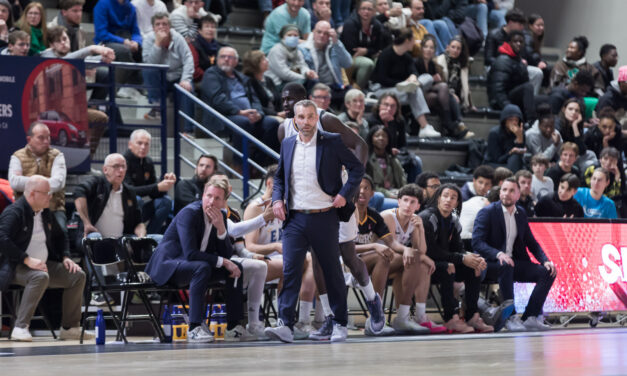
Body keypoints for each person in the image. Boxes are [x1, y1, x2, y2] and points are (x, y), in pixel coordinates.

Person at [266, 99, 364, 343]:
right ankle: (285, 325)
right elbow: (279, 178)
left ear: (316, 119)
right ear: (295, 120)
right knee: (290, 271)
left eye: (311, 117)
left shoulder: (331, 141)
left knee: (332, 270)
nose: (306, 122)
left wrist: (344, 194)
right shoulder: (288, 144)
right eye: (302, 117)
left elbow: (356, 169)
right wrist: (277, 200)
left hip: (324, 216)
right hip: (295, 218)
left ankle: (340, 322)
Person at [144, 179, 248, 343]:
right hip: (169, 265)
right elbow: (190, 254)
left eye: (217, 198)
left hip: (195, 266)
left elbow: (226, 255)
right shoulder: (190, 213)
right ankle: (194, 327)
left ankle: (233, 326)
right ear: (203, 195)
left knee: (236, 267)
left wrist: (221, 230)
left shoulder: (220, 216)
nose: (212, 202)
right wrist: (224, 261)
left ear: (224, 202)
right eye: (209, 196)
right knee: (202, 267)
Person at [0, 175, 92, 342]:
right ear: (33, 194)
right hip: (15, 266)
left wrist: (65, 257)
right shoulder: (14, 212)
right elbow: (2, 239)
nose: (50, 196)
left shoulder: (45, 213)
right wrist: (26, 259)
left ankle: (70, 328)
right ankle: (20, 327)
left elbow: (61, 236)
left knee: (77, 275)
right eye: (46, 193)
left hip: (43, 265)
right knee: (39, 277)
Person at [242, 165, 317, 339]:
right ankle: (284, 320)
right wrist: (276, 246)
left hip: (282, 261)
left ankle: (303, 320)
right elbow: (250, 246)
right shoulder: (256, 207)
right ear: (270, 184)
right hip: (258, 260)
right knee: (292, 262)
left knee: (312, 259)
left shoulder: (287, 207)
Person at [473, 177, 557, 332]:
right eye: (504, 190)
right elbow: (477, 242)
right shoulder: (488, 212)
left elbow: (531, 242)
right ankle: (510, 317)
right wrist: (498, 254)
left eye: (512, 191)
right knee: (506, 265)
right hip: (490, 263)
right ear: (499, 193)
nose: (506, 193)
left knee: (548, 272)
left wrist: (545, 260)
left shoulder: (521, 213)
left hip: (513, 263)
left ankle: (530, 317)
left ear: (518, 195)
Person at [420, 184, 493, 333]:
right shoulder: (428, 217)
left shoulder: (453, 220)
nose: (448, 200)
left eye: (453, 197)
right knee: (449, 266)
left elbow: (457, 248)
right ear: (439, 198)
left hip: (441, 261)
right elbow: (430, 251)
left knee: (474, 268)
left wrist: (470, 257)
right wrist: (460, 258)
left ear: (457, 203)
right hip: (423, 263)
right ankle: (450, 318)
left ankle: (472, 316)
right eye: (445, 196)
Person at [380, 184, 442, 334]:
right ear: (398, 201)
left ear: (418, 205)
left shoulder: (415, 219)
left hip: (396, 262)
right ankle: (399, 317)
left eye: (412, 202)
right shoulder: (388, 216)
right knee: (415, 260)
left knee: (423, 266)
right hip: (378, 261)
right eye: (405, 200)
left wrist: (420, 229)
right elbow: (393, 246)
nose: (408, 205)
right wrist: (422, 257)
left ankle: (419, 316)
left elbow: (421, 250)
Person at [200, 46, 280, 154]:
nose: (226, 59)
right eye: (223, 56)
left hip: (248, 115)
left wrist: (259, 114)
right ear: (217, 59)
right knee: (243, 123)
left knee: (272, 123)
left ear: (236, 61)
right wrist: (239, 112)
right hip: (224, 116)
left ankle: (260, 162)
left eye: (230, 57)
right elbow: (218, 99)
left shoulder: (242, 78)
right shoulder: (211, 74)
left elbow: (254, 99)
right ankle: (240, 164)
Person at [371, 28, 440, 138]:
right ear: (407, 40)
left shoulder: (407, 57)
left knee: (427, 78)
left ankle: (411, 88)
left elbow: (414, 71)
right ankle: (424, 126)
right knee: (414, 90)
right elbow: (382, 79)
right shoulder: (386, 55)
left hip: (404, 90)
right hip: (383, 89)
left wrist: (413, 77)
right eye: (413, 40)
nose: (415, 42)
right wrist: (403, 83)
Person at [9, 122, 67, 235]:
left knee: (61, 234)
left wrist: (28, 182)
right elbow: (15, 183)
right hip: (25, 209)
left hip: (53, 208)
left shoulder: (57, 155)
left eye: (48, 137)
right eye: (41, 138)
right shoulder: (17, 156)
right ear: (29, 139)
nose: (46, 141)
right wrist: (43, 182)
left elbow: (58, 183)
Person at [74, 153, 145, 240]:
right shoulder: (97, 183)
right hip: (96, 238)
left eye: (124, 166)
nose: (121, 170)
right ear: (105, 170)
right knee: (94, 238)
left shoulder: (129, 192)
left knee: (158, 238)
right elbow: (79, 191)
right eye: (116, 166)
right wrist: (87, 223)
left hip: (120, 241)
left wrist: (141, 236)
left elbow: (139, 223)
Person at [141, 13, 194, 121]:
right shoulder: (148, 40)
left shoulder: (178, 38)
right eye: (158, 24)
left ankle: (188, 130)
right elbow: (150, 64)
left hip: (178, 76)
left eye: (164, 24)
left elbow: (188, 58)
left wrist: (186, 79)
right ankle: (156, 107)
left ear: (169, 27)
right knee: (147, 69)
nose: (161, 27)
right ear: (153, 28)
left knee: (189, 90)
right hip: (160, 78)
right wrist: (157, 44)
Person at [417, 34, 472, 139]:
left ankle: (452, 127)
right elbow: (419, 82)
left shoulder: (433, 64)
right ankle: (455, 124)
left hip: (436, 94)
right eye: (426, 47)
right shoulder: (417, 62)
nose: (429, 50)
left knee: (444, 94)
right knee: (444, 89)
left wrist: (470, 103)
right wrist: (433, 79)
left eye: (431, 48)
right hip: (419, 95)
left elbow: (466, 86)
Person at [123, 129, 176, 234]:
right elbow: (130, 191)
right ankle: (130, 234)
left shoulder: (148, 162)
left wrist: (165, 183)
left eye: (146, 144)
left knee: (165, 201)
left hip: (139, 210)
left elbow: (154, 193)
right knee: (137, 200)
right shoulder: (123, 161)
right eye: (139, 143)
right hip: (123, 211)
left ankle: (150, 236)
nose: (143, 147)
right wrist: (157, 187)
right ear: (130, 144)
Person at [93, 0, 143, 98]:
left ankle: (137, 86)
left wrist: (136, 42)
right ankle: (113, 89)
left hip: (126, 40)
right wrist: (123, 41)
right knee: (124, 51)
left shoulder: (131, 7)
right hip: (105, 43)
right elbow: (101, 33)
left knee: (142, 49)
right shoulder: (102, 4)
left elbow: (136, 31)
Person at [300, 20, 352, 108]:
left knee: (352, 94)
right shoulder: (303, 49)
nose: (322, 36)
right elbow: (301, 67)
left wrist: (336, 42)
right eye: (319, 32)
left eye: (326, 33)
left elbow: (348, 63)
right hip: (315, 87)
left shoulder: (335, 46)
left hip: (334, 86)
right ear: (313, 32)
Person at [488, 30, 535, 123]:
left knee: (544, 101)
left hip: (514, 98)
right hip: (501, 102)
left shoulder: (519, 60)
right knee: (528, 87)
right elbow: (498, 91)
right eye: (515, 41)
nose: (518, 44)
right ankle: (531, 122)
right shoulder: (502, 60)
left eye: (521, 42)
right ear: (509, 43)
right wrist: (510, 108)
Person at [340, 0, 386, 90]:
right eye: (363, 9)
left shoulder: (377, 25)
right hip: (348, 57)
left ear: (374, 12)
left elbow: (378, 47)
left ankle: (374, 86)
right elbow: (352, 49)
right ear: (358, 10)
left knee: (381, 59)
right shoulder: (350, 24)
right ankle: (357, 90)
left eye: (369, 9)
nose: (366, 12)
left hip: (366, 54)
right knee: (367, 64)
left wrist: (366, 51)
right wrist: (370, 51)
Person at [366, 125, 406, 211]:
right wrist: (388, 194)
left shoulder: (393, 159)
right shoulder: (366, 160)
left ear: (388, 140)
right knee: (402, 206)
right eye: (377, 136)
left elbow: (402, 179)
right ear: (371, 139)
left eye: (384, 136)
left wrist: (403, 192)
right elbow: (367, 185)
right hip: (377, 196)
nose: (381, 138)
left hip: (395, 192)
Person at [265, 24, 317, 90]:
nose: (292, 37)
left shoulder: (297, 51)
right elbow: (284, 74)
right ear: (283, 37)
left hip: (291, 80)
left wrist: (307, 73)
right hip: (276, 84)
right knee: (301, 84)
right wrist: (303, 77)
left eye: (295, 35)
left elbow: (302, 65)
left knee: (313, 81)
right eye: (289, 35)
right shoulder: (276, 50)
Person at [435, 36, 474, 113]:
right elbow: (440, 82)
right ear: (448, 47)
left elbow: (466, 86)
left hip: (459, 96)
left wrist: (470, 104)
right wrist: (451, 94)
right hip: (444, 95)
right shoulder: (439, 61)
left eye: (458, 48)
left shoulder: (463, 64)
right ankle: (459, 122)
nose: (455, 50)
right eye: (453, 47)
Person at [242, 49, 283, 118]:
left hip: (277, 114)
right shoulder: (248, 81)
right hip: (262, 116)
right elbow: (254, 105)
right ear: (255, 63)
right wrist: (276, 114)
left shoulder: (268, 79)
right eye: (263, 59)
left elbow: (278, 100)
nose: (267, 60)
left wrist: (282, 112)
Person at [583, 147, 625, 216]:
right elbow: (595, 191)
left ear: (617, 161)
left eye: (612, 160)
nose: (608, 162)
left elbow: (617, 194)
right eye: (605, 159)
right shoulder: (591, 170)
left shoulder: (618, 171)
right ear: (600, 159)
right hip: (591, 200)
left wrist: (617, 178)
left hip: (610, 202)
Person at [485, 104, 526, 172]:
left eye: (516, 120)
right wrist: (510, 153)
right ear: (504, 120)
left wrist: (519, 139)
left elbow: (520, 157)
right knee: (514, 158)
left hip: (513, 164)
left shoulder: (521, 133)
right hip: (494, 164)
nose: (514, 122)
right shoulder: (494, 133)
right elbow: (496, 159)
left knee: (516, 158)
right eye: (510, 120)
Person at [189, 15, 226, 83]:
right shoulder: (193, 46)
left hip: (216, 79)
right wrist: (212, 77)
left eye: (213, 27)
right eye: (207, 26)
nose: (210, 29)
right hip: (199, 81)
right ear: (199, 30)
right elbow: (195, 71)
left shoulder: (219, 47)